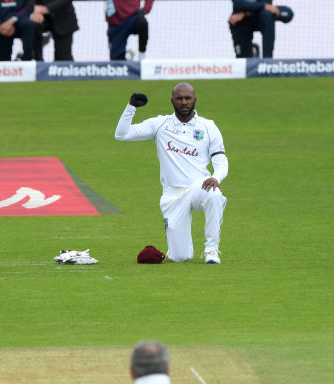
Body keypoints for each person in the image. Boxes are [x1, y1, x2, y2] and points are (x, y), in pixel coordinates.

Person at [114, 83, 228, 265]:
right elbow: (121, 134)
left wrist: (216, 177)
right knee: (179, 257)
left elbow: (221, 159)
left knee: (214, 195)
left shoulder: (208, 126)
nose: (184, 102)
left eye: (188, 98)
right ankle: (176, 244)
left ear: (195, 99)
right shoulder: (159, 124)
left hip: (199, 186)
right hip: (172, 195)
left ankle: (211, 249)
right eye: (179, 98)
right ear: (172, 100)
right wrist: (131, 107)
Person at [228, 2, 293, 59]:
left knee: (285, 13)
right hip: (241, 23)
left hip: (258, 16)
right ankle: (250, 52)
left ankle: (267, 60)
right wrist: (264, 6)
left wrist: (244, 14)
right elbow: (238, 4)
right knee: (242, 60)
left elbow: (267, 4)